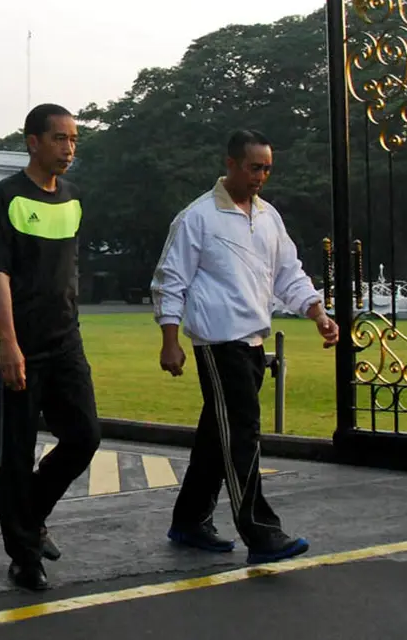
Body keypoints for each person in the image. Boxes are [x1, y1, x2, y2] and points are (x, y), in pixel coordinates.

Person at [149, 128, 339, 565]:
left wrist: (318, 314)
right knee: (242, 435)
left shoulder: (268, 216)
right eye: (255, 167)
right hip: (219, 343)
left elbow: (288, 274)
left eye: (267, 169)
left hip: (253, 340)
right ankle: (260, 531)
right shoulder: (196, 218)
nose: (261, 177)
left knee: (219, 435)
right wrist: (170, 340)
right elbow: (170, 280)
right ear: (231, 164)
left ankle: (190, 521)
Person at [0, 103, 101, 592]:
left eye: (73, 139)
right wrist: (8, 343)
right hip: (18, 338)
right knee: (15, 451)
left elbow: (65, 273)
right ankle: (24, 555)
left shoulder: (73, 199)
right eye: (59, 138)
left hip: (65, 337)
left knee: (84, 434)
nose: (68, 147)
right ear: (33, 142)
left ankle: (32, 516)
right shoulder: (6, 195)